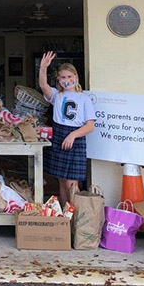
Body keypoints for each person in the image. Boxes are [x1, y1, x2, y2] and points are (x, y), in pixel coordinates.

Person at [38, 54, 95, 205]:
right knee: (62, 182)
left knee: (72, 183)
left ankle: (75, 216)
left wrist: (72, 136)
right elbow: (43, 86)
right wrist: (43, 67)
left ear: (76, 76)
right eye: (62, 77)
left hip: (75, 138)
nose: (66, 80)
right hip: (58, 135)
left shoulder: (85, 98)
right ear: (58, 80)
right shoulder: (57, 95)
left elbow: (90, 125)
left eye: (69, 76)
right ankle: (65, 215)